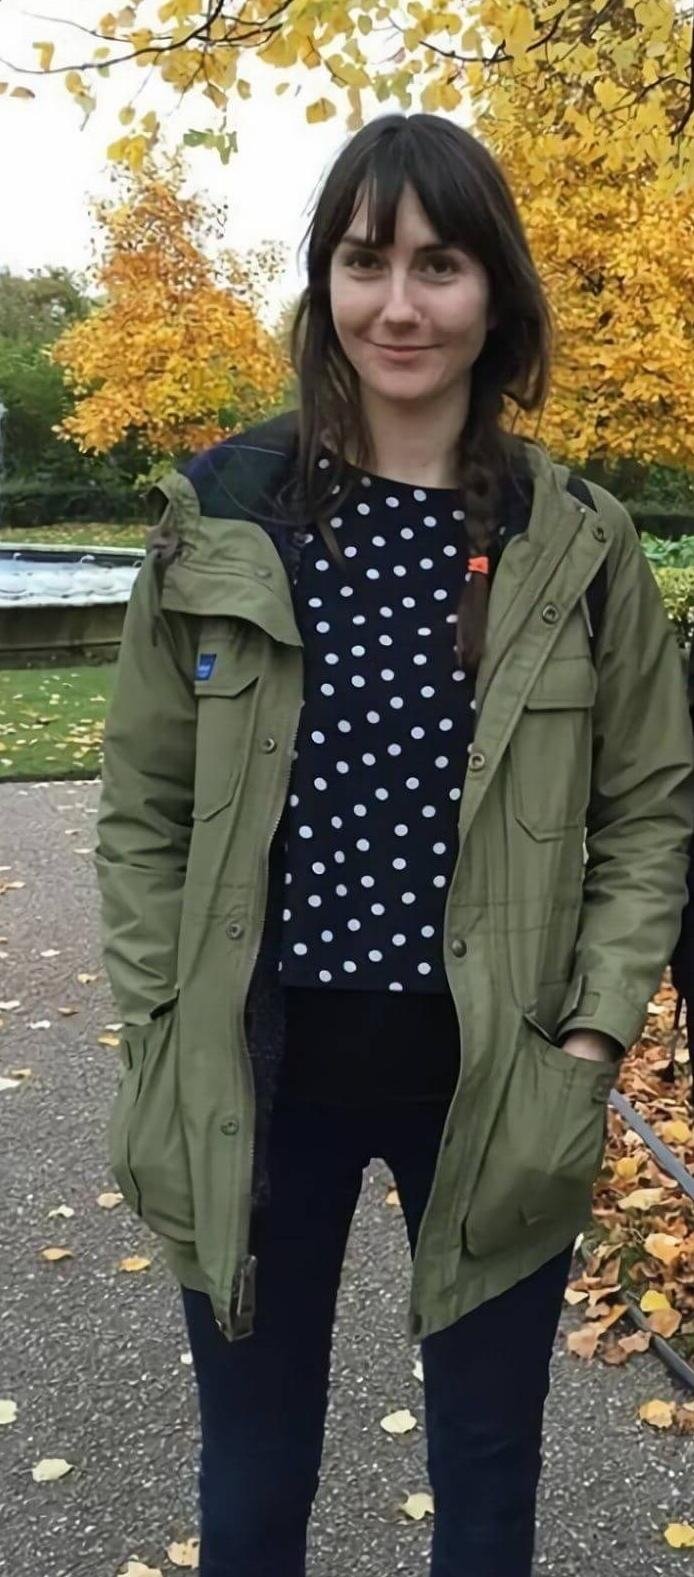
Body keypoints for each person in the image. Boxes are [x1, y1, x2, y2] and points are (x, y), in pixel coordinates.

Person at [95, 113, 694, 1577]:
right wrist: (165, 1017)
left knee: (486, 1477)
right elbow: (142, 806)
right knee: (252, 1473)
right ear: (325, 282)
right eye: (366, 262)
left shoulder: (578, 538)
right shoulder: (222, 517)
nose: (400, 304)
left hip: (493, 1072)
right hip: (258, 1068)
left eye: (440, 263)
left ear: (494, 290)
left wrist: (585, 1039)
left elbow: (647, 809)